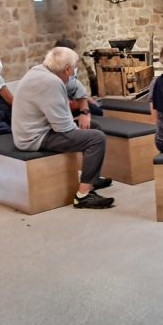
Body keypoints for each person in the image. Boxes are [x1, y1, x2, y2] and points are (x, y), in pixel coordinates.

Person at [12, 47, 114, 209]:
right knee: (96, 138)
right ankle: (83, 196)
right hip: (34, 138)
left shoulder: (39, 71)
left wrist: (83, 113)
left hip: (36, 130)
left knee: (93, 126)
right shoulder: (51, 83)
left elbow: (74, 92)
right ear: (67, 69)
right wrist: (79, 123)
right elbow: (63, 128)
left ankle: (91, 179)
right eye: (74, 69)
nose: (74, 72)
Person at [54, 38, 102, 117]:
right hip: (66, 105)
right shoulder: (56, 69)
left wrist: (86, 98)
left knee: (97, 109)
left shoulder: (71, 66)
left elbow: (75, 85)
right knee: (96, 111)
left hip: (75, 99)